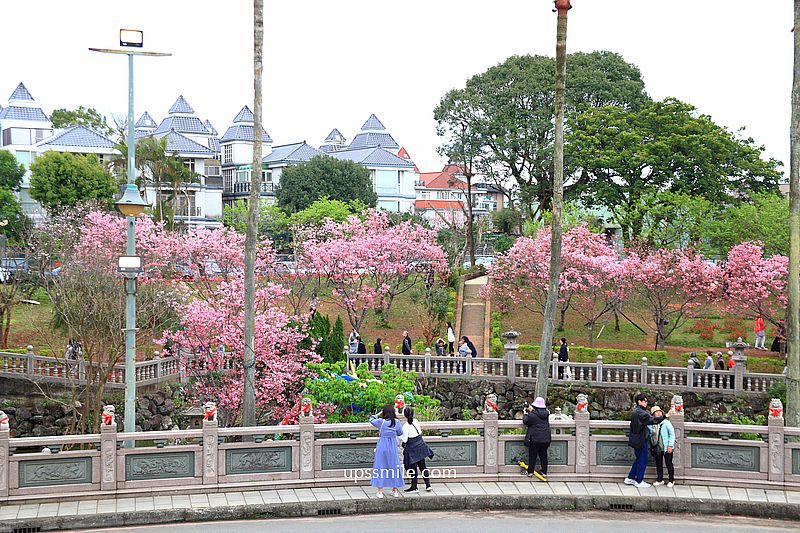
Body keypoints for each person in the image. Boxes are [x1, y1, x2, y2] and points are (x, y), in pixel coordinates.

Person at [625, 393, 672, 488]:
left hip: (636, 439)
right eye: (645, 401)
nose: (646, 403)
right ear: (639, 401)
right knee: (643, 460)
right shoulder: (641, 413)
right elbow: (653, 420)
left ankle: (630, 478)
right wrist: (666, 415)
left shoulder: (637, 411)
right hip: (641, 440)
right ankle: (639, 480)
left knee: (638, 459)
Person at [369, 404, 405, 498]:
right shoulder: (396, 422)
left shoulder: (381, 422)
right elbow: (400, 433)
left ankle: (380, 491)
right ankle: (395, 490)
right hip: (392, 446)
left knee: (380, 466)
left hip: (382, 446)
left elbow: (371, 419)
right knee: (394, 466)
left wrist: (379, 413)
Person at [399, 407, 434, 493]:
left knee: (412, 467)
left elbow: (404, 439)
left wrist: (398, 434)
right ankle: (428, 485)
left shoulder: (406, 426)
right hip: (420, 445)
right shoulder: (416, 421)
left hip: (412, 449)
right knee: (423, 467)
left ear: (404, 415)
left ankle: (414, 487)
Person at [523, 397, 551, 481]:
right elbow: (539, 415)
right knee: (543, 455)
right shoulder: (546, 414)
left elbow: (525, 421)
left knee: (533, 455)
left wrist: (525, 413)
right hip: (546, 438)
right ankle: (544, 472)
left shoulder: (532, 415)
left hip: (535, 439)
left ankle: (530, 471)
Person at [648, 405, 676, 488]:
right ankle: (660, 479)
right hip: (657, 447)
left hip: (667, 447)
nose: (658, 413)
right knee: (658, 463)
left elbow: (672, 434)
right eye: (656, 412)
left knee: (669, 463)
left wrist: (670, 445)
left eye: (659, 411)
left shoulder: (666, 422)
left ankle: (671, 480)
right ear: (653, 415)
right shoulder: (651, 425)